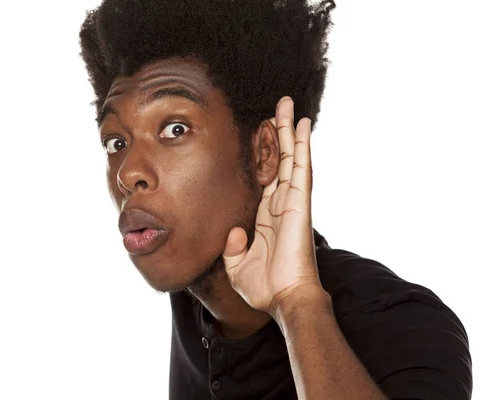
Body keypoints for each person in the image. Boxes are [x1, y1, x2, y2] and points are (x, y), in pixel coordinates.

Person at [78, 0, 472, 398]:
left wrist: (297, 303)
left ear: (265, 152)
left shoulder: (407, 327)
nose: (128, 172)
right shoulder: (193, 289)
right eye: (116, 142)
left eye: (175, 129)